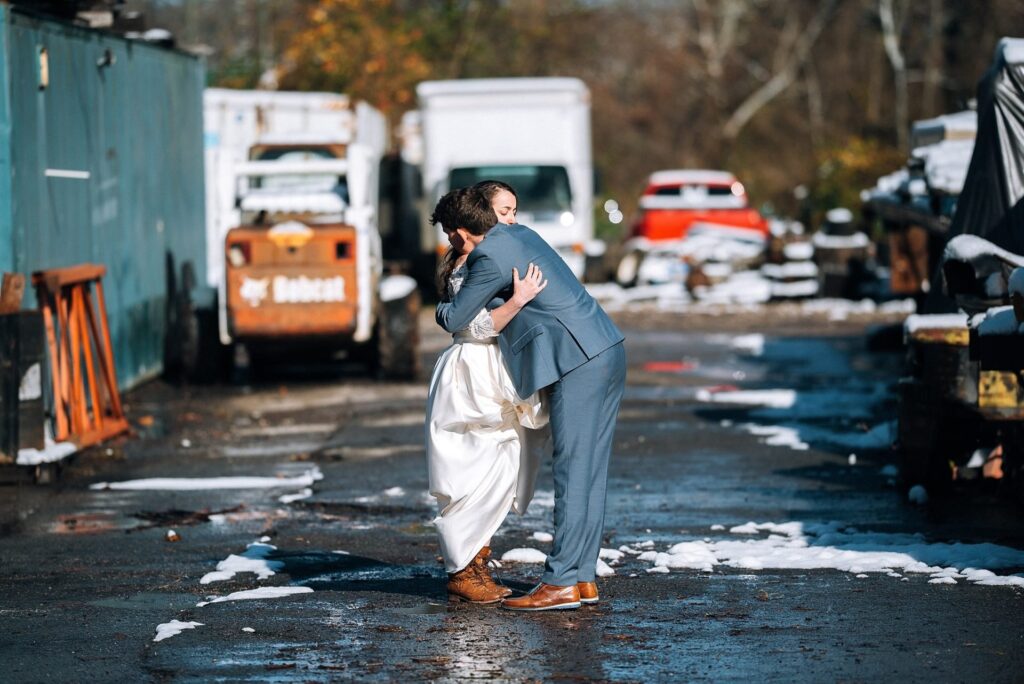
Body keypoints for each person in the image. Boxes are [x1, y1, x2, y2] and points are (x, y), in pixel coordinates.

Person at [436, 186, 626, 612]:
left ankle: (559, 582)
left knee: (573, 472)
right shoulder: (521, 236)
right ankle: (581, 578)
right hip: (605, 349)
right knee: (590, 472)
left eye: (452, 236)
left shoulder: (488, 256)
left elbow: (454, 317)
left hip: (577, 359)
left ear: (462, 232)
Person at [426, 183, 551, 604]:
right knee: (473, 465)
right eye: (504, 210)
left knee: (500, 462)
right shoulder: (475, 259)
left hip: (491, 367)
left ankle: (473, 561)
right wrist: (517, 301)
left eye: (515, 210)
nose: (512, 218)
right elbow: (470, 325)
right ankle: (464, 569)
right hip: (472, 370)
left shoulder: (494, 252)